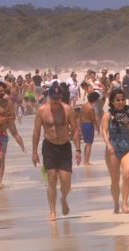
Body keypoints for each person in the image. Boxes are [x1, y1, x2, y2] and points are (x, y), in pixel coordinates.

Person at [32, 82, 81, 221]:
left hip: (65, 146)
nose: (56, 101)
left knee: (66, 180)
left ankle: (64, 198)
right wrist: (34, 152)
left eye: (58, 98)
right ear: (49, 96)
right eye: (53, 98)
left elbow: (75, 130)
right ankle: (52, 211)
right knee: (52, 177)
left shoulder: (68, 109)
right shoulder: (42, 110)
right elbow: (36, 132)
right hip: (49, 147)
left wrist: (78, 149)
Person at [101, 89, 129, 214]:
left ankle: (125, 204)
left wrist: (126, 123)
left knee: (127, 175)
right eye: (117, 100)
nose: (121, 102)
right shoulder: (107, 115)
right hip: (112, 148)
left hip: (127, 147)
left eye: (122, 99)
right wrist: (108, 144)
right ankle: (116, 204)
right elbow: (104, 131)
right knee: (115, 179)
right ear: (112, 101)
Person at [81, 92, 100, 166]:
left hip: (83, 124)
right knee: (89, 144)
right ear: (95, 99)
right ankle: (86, 161)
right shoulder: (91, 108)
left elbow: (80, 116)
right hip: (89, 125)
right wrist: (98, 127)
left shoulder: (83, 105)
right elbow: (93, 119)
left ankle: (85, 160)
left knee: (87, 143)